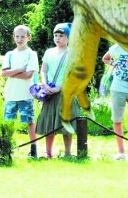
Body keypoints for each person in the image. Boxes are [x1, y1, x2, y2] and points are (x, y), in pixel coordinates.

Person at [35, 23, 78, 158]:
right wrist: (45, 84)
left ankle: (67, 152)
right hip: (49, 92)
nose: (58, 38)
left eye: (61, 35)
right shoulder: (49, 52)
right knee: (49, 123)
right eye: (56, 35)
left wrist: (60, 87)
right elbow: (43, 70)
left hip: (65, 93)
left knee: (66, 122)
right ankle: (48, 153)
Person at [1, 24, 39, 158]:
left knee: (29, 121)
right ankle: (6, 148)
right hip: (11, 94)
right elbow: (4, 73)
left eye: (23, 36)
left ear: (29, 38)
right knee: (8, 122)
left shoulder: (31, 54)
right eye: (17, 36)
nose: (20, 39)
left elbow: (29, 75)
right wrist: (18, 70)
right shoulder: (10, 54)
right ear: (13, 37)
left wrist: (11, 72)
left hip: (25, 94)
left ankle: (34, 148)